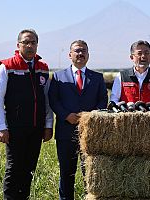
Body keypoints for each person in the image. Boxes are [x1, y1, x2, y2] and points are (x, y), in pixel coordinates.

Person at [0, 28, 53, 199]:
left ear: (37, 45)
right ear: (18, 45)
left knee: (29, 169)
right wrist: (1, 127)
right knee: (14, 168)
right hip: (15, 128)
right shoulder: (7, 67)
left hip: (36, 128)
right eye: (26, 42)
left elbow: (47, 100)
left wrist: (48, 125)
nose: (30, 45)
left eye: (33, 42)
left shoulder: (43, 68)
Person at [48, 40, 108, 200]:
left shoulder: (97, 78)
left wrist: (89, 117)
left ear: (88, 55)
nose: (80, 54)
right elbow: (53, 100)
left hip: (90, 134)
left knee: (90, 174)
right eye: (77, 51)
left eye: (84, 51)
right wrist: (67, 115)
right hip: (65, 132)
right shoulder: (58, 77)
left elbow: (103, 100)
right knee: (66, 173)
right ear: (70, 55)